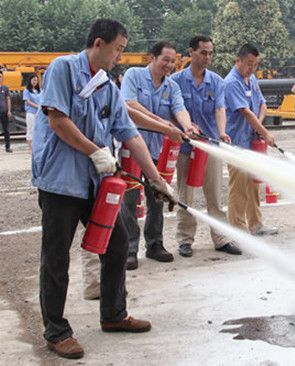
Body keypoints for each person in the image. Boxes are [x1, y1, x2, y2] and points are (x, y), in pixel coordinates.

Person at [31, 19, 177, 359]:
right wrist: (95, 151)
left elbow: (130, 135)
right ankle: (56, 330)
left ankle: (113, 314)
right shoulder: (63, 69)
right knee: (56, 257)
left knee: (115, 245)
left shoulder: (108, 86)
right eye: (118, 50)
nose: (120, 57)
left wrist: (157, 180)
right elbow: (57, 119)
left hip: (95, 183)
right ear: (99, 43)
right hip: (60, 182)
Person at [120, 40, 198, 269]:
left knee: (158, 198)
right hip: (132, 149)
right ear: (152, 58)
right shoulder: (133, 75)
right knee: (130, 199)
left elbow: (179, 109)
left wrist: (187, 127)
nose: (170, 65)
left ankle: (155, 244)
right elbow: (130, 105)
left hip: (158, 151)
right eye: (166, 60)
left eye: (173, 61)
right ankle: (129, 249)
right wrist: (162, 123)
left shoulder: (171, 86)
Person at [171, 35, 240, 257]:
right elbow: (172, 112)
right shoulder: (175, 81)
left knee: (214, 196)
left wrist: (221, 132)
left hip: (210, 145)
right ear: (191, 52)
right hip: (185, 148)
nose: (207, 57)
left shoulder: (217, 81)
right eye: (203, 52)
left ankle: (220, 239)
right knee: (186, 195)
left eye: (210, 53)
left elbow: (220, 109)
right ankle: (185, 240)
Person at [225, 43, 278, 238]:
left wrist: (259, 128)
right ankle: (238, 231)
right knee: (238, 188)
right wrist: (264, 132)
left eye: (255, 64)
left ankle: (256, 225)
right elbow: (246, 112)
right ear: (237, 61)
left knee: (254, 185)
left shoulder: (252, 79)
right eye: (248, 64)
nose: (252, 68)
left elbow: (261, 105)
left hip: (252, 142)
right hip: (237, 144)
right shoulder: (231, 83)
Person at [23, 74, 41, 150]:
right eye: (33, 80)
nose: (35, 82)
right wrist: (37, 106)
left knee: (38, 129)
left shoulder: (39, 91)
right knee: (31, 129)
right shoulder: (26, 90)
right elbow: (28, 101)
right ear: (30, 81)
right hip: (31, 113)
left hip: (39, 113)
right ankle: (31, 148)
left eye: (36, 80)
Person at [0, 71, 13, 153]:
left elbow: (8, 99)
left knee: (6, 130)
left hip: (4, 112)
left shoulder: (5, 88)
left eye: (0, 76)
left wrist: (9, 110)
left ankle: (7, 147)